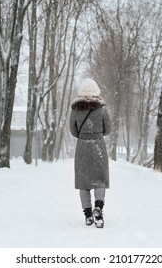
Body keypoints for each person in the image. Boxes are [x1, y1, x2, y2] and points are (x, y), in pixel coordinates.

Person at [69, 78, 112, 228]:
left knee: (84, 182)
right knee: (99, 180)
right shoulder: (102, 109)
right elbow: (108, 130)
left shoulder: (75, 109)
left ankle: (88, 215)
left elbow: (73, 131)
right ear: (96, 92)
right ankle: (98, 208)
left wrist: (84, 135)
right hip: (98, 147)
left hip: (82, 148)